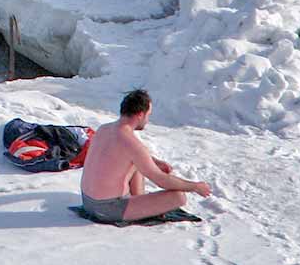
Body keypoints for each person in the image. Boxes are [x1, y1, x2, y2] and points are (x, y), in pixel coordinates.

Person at [80, 89, 211, 223]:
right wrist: (195, 186)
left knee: (136, 163)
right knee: (178, 197)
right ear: (140, 115)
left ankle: (138, 200)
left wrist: (156, 162)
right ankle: (139, 206)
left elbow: (122, 154)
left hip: (87, 202)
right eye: (148, 115)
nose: (148, 120)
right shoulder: (131, 142)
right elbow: (161, 180)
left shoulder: (104, 129)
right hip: (108, 209)